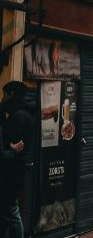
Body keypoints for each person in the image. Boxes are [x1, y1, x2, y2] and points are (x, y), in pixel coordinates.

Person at [1, 81, 33, 238]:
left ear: (11, 94)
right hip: (14, 171)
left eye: (5, 94)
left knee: (12, 214)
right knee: (6, 213)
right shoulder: (25, 113)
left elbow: (12, 147)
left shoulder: (18, 116)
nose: (3, 98)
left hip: (9, 173)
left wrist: (10, 150)